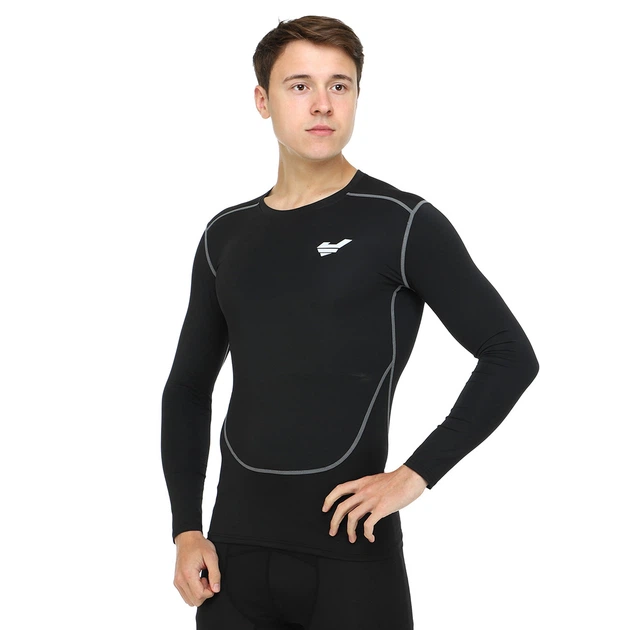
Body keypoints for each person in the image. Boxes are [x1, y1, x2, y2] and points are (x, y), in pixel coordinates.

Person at [161, 15, 539, 630]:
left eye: (339, 85)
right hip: (232, 561)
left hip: (352, 560)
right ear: (262, 100)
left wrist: (415, 476)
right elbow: (186, 388)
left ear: (358, 96)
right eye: (299, 85)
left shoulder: (401, 222)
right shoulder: (225, 235)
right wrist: (185, 528)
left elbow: (509, 354)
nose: (322, 104)